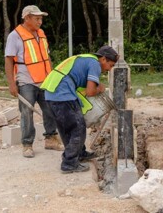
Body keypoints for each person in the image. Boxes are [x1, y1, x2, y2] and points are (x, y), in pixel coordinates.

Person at [41, 45, 118, 173]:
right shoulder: (95, 64)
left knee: (67, 128)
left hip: (52, 92)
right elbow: (90, 91)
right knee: (78, 127)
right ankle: (69, 163)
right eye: (111, 65)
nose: (110, 69)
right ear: (103, 59)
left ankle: (79, 154)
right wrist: (99, 88)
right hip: (62, 93)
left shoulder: (86, 59)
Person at [4, 5, 60, 158]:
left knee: (50, 109)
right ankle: (27, 144)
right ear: (27, 18)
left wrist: (53, 76)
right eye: (37, 18)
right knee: (27, 113)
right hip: (26, 81)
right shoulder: (15, 36)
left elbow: (46, 57)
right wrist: (11, 84)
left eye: (41, 18)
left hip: (45, 80)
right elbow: (9, 60)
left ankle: (51, 139)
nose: (40, 21)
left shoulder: (41, 33)